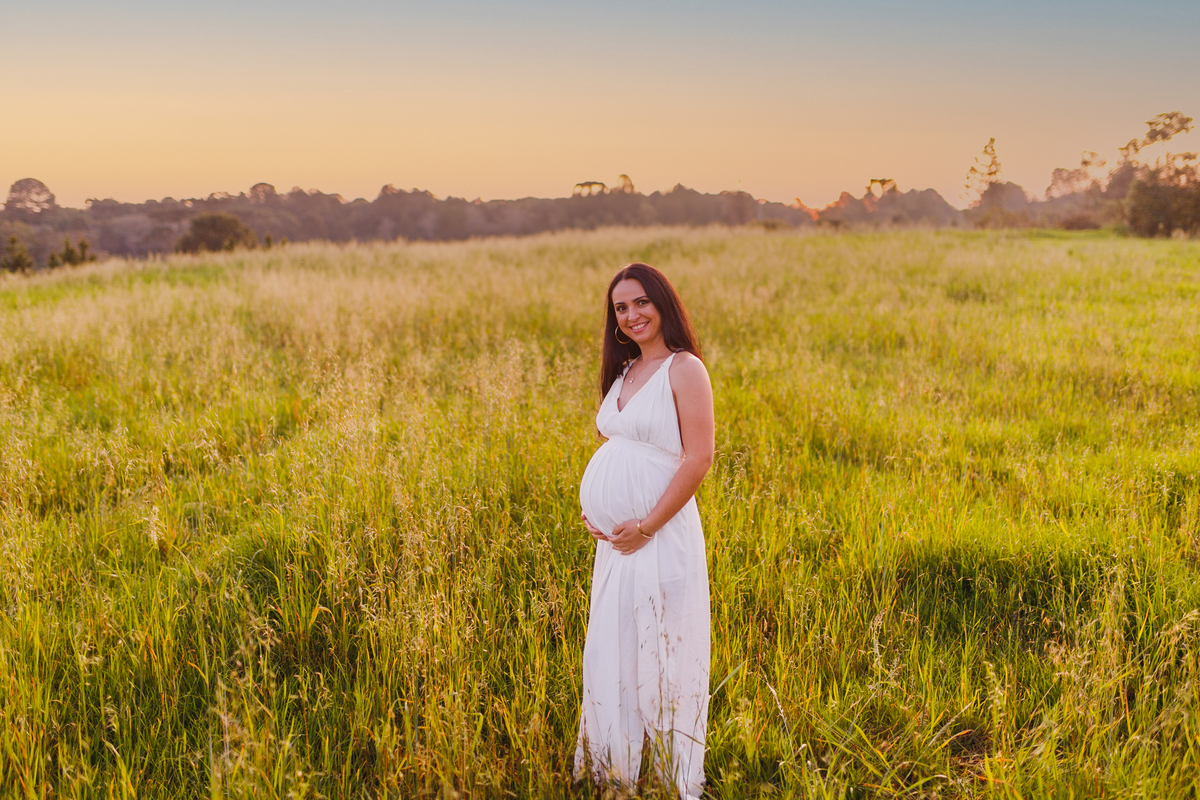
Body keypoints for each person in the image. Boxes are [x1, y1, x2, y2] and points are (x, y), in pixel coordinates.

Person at [575, 263, 714, 799]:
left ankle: (672, 777)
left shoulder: (685, 369)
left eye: (640, 302)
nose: (631, 315)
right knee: (617, 644)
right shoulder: (625, 370)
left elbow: (698, 459)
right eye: (620, 307)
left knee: (664, 648)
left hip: (659, 536)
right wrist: (601, 514)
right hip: (618, 544)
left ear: (662, 303)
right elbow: (620, 450)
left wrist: (646, 526)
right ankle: (615, 769)